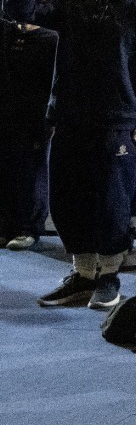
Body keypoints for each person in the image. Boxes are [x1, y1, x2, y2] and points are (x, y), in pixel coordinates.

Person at [1, 0, 136, 310]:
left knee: (112, 205)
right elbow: (17, 10)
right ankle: (83, 276)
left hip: (116, 125)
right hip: (68, 121)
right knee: (68, 201)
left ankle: (109, 277)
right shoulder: (75, 5)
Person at [0, 15, 57, 251]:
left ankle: (28, 228)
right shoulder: (7, 33)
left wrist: (52, 117)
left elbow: (56, 80)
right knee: (6, 169)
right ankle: (5, 226)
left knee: (32, 172)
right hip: (6, 113)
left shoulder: (51, 38)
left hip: (36, 116)